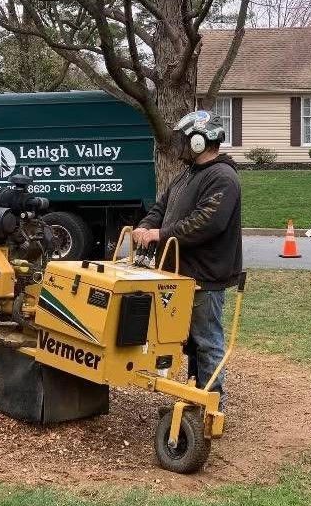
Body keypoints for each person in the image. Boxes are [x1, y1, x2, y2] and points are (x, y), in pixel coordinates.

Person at [133, 110, 242, 403]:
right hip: (180, 275)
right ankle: (196, 392)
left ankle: (211, 401)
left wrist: (161, 235)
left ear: (199, 141)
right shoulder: (188, 175)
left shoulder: (223, 177)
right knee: (190, 342)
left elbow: (207, 221)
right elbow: (162, 207)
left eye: (185, 139)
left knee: (207, 341)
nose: (180, 145)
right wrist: (146, 226)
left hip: (204, 276)